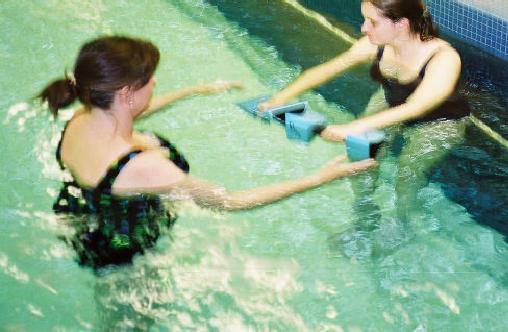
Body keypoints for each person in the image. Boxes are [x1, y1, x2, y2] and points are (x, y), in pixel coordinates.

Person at [39, 35, 375, 269]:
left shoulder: (82, 118)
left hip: (88, 223)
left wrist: (194, 91)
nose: (155, 84)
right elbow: (231, 200)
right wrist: (319, 178)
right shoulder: (143, 168)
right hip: (128, 255)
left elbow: (135, 110)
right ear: (126, 93)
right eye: (150, 79)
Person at [257, 0, 470, 234]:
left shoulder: (443, 58)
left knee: (407, 172)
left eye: (373, 22)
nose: (363, 28)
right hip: (391, 99)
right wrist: (280, 97)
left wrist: (354, 126)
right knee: (360, 154)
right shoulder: (375, 44)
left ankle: (402, 222)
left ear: (401, 24)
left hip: (438, 122)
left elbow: (418, 106)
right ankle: (365, 210)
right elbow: (328, 69)